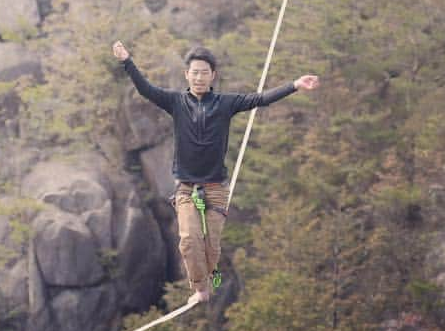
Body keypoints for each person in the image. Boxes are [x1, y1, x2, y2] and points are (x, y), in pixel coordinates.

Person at [112, 41, 319, 304]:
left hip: (215, 187)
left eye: (204, 72)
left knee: (211, 246)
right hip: (186, 187)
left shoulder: (225, 103)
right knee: (189, 239)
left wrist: (295, 85)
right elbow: (146, 89)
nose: (199, 77)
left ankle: (212, 276)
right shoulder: (176, 102)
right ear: (187, 75)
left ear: (213, 76)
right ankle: (200, 288)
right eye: (194, 72)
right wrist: (127, 61)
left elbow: (260, 98)